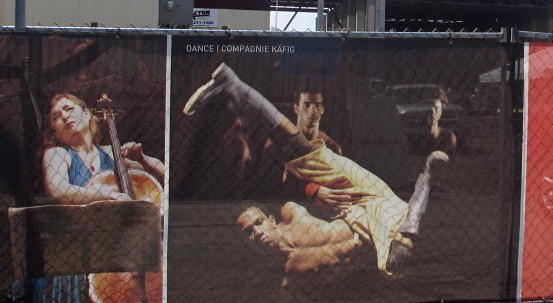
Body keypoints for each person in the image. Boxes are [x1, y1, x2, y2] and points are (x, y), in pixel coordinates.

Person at [183, 63, 445, 278]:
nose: (311, 112)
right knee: (295, 144)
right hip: (353, 185)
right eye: (305, 105)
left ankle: (238, 94)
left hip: (355, 189)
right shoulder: (397, 230)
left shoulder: (387, 236)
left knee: (296, 146)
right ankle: (234, 87)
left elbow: (417, 204)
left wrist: (428, 173)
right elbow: (416, 209)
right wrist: (428, 172)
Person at [13, 93, 164, 303]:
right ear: (55, 130)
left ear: (87, 114)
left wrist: (142, 159)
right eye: (56, 116)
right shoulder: (58, 153)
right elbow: (58, 189)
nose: (64, 116)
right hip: (77, 249)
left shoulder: (110, 153)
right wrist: (107, 195)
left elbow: (160, 176)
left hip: (113, 247)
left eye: (69, 109)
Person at [236, 150, 447, 284]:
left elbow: (288, 183)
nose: (257, 231)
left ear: (271, 220)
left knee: (407, 222)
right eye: (249, 232)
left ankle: (427, 175)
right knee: (405, 241)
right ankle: (427, 178)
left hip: (360, 217)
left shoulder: (290, 213)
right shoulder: (291, 271)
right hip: (374, 255)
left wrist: (314, 190)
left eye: (259, 222)